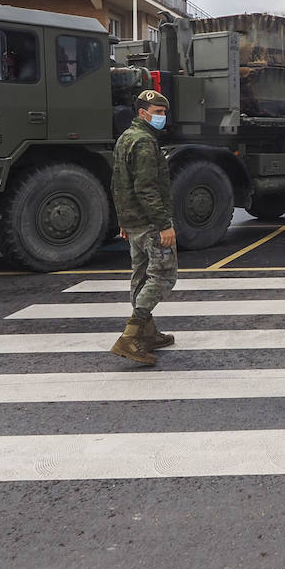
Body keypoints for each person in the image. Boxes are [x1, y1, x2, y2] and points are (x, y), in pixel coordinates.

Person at [110, 89, 177, 366]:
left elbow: (117, 182)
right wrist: (164, 225)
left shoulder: (126, 138)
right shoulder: (146, 142)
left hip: (134, 223)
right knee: (163, 276)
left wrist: (123, 221)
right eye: (158, 113)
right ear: (142, 113)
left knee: (140, 276)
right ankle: (131, 335)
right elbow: (146, 188)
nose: (162, 117)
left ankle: (148, 333)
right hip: (150, 223)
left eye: (164, 112)